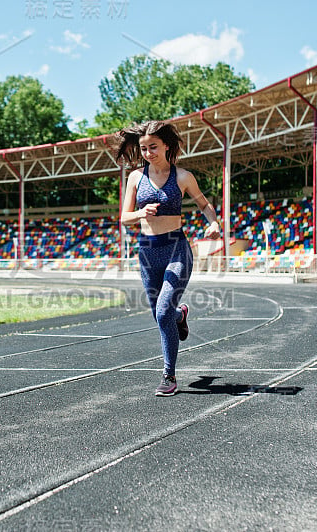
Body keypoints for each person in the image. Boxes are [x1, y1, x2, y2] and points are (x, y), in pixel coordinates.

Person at [115, 120, 221, 396]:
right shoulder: (136, 178)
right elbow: (124, 218)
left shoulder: (183, 176)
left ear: (166, 146)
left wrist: (214, 223)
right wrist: (140, 213)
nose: (148, 152)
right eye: (143, 149)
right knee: (161, 315)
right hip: (148, 252)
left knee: (162, 312)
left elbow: (203, 203)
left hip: (176, 248)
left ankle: (168, 375)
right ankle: (179, 314)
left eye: (153, 147)